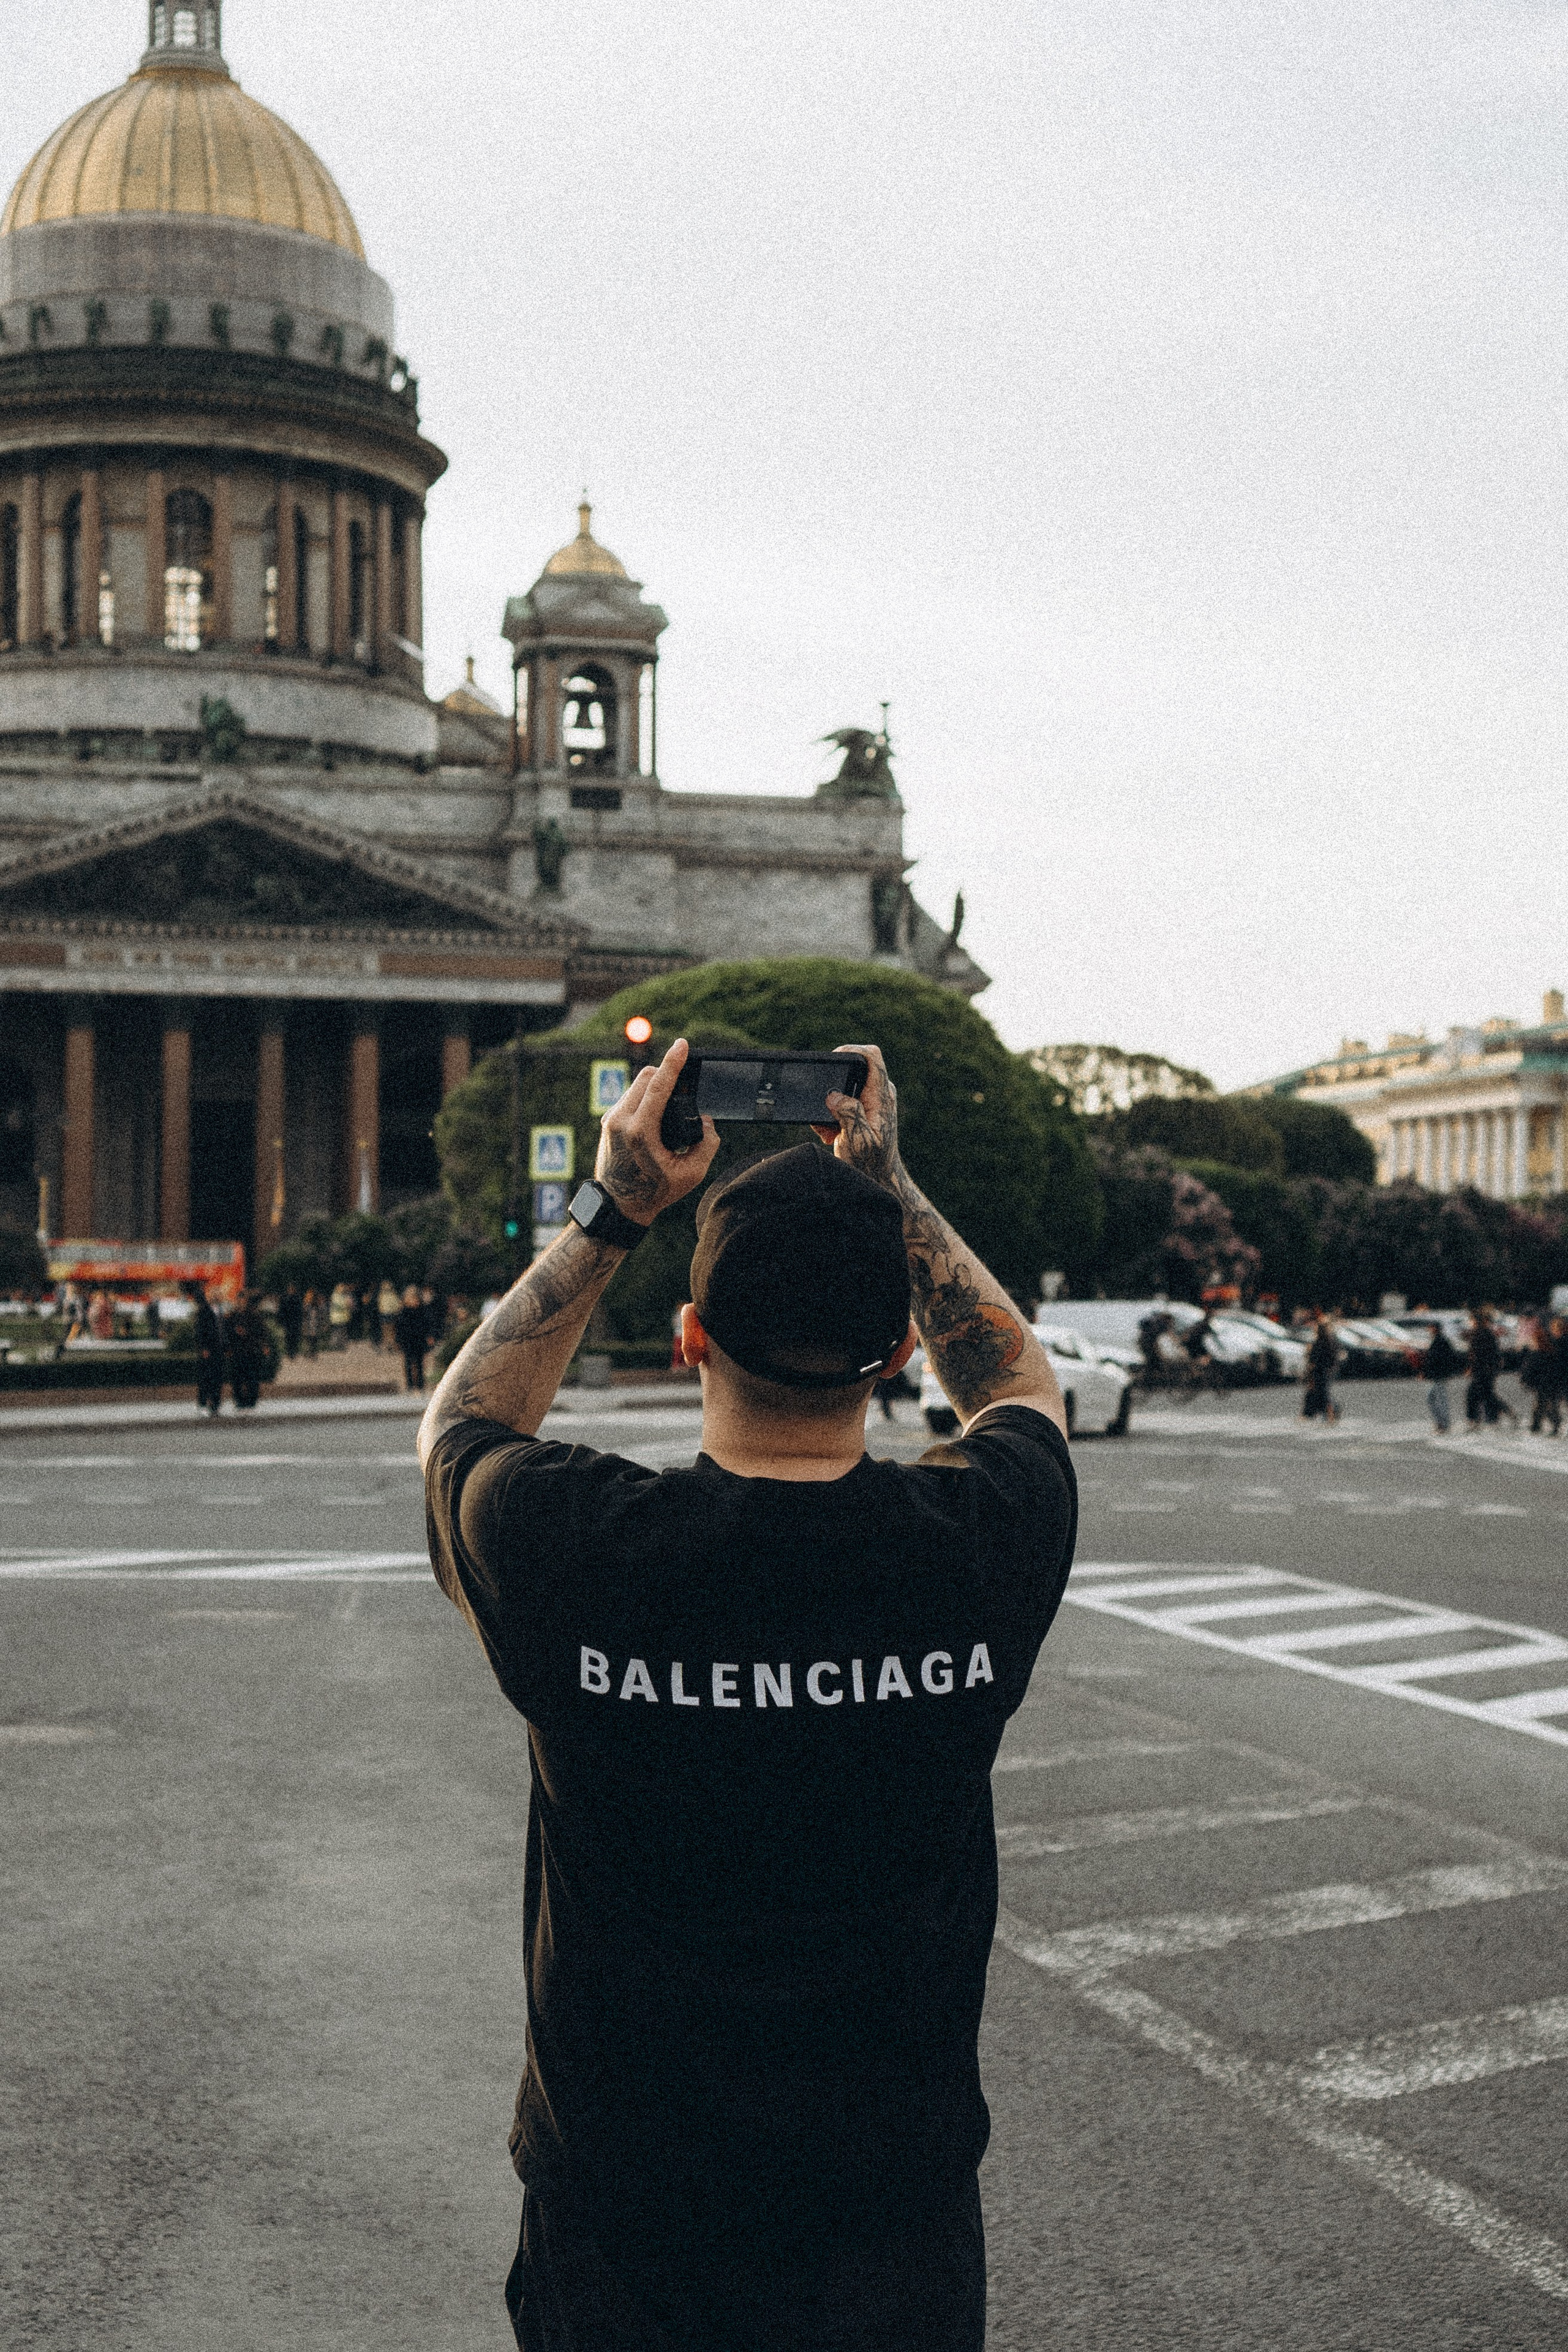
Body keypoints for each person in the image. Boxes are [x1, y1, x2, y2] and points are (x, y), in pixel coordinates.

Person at [418, 1038, 1075, 2352]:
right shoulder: (979, 1542)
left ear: (687, 1339)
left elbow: (459, 1422)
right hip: (885, 2225)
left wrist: (610, 1210)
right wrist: (896, 1190)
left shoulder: (573, 1546)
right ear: (892, 1356)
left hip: (625, 2218)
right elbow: (1015, 1385)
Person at [1464, 1308, 1514, 1428]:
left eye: (1472, 1320)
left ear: (1476, 1321)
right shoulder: (1483, 1333)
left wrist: (1473, 1368)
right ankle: (1502, 1414)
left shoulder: (1481, 1334)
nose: (1470, 1323)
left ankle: (1475, 1420)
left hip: (1484, 1370)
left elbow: (1480, 1355)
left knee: (1474, 1394)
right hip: (1486, 1370)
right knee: (1486, 1395)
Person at [226, 1289, 270, 1411]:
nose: (241, 1303)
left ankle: (251, 1401)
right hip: (237, 1351)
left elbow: (261, 1332)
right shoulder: (232, 1316)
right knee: (237, 1378)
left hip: (251, 1351)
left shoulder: (253, 1315)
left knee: (252, 1377)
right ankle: (239, 1401)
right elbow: (227, 1333)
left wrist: (263, 1345)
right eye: (239, 1300)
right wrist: (228, 1348)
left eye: (243, 1300)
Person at [189, 1281, 224, 1418]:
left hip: (219, 1350)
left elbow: (223, 1331)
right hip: (208, 1351)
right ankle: (202, 1405)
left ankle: (215, 1406)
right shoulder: (204, 1310)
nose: (218, 1296)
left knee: (217, 1379)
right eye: (215, 1294)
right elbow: (199, 1331)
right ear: (211, 1296)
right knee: (205, 1378)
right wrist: (203, 1348)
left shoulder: (221, 1310)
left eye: (219, 1294)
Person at [1421, 1320, 1460, 1433]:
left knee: (1439, 1399)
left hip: (1440, 1375)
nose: (1428, 1330)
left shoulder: (1440, 1341)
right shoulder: (1439, 1341)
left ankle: (1444, 1425)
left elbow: (1438, 1359)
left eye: (1430, 1327)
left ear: (1435, 1329)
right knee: (1434, 1398)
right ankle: (1441, 1423)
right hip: (1438, 1375)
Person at [1302, 1312, 1339, 1422]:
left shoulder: (1318, 1344)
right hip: (1325, 1372)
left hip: (1318, 1372)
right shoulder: (1329, 1342)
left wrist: (1309, 1373)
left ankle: (1330, 1414)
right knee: (1322, 1393)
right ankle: (1326, 1414)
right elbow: (1333, 1358)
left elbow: (1312, 1360)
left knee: (1322, 1394)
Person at [394, 1284, 431, 1392]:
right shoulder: (403, 1313)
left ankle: (420, 1384)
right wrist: (398, 1340)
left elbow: (427, 1325)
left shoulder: (422, 1311)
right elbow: (399, 1328)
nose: (413, 1301)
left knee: (419, 1362)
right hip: (407, 1340)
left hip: (419, 1339)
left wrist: (429, 1336)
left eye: (415, 1298)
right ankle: (410, 1385)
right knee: (408, 1362)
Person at [279, 1282, 304, 1360]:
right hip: (288, 1321)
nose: (291, 1290)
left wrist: (301, 1320)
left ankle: (294, 1352)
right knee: (288, 1337)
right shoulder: (284, 1299)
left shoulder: (297, 1299)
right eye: (290, 1289)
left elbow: (300, 1311)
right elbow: (281, 1311)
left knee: (295, 1337)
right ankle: (289, 1352)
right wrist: (281, 1320)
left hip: (295, 1321)